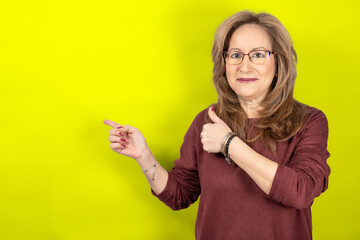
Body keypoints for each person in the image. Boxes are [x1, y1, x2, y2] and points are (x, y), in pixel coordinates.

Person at [103, 10, 330, 240]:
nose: (245, 66)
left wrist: (228, 143)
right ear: (224, 63)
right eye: (235, 55)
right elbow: (179, 195)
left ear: (278, 60)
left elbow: (299, 191)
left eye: (258, 55)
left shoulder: (309, 121)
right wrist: (143, 155)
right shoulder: (207, 119)